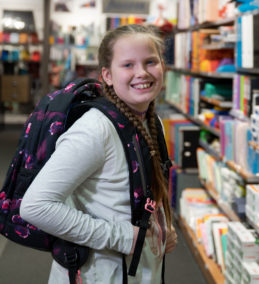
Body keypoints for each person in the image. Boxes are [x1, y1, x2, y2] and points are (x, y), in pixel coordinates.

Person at [20, 24, 177, 283]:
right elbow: (36, 206)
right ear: (107, 75)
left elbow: (131, 196)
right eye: (128, 65)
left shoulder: (152, 121)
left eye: (151, 61)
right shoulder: (94, 130)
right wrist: (126, 238)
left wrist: (160, 228)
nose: (142, 72)